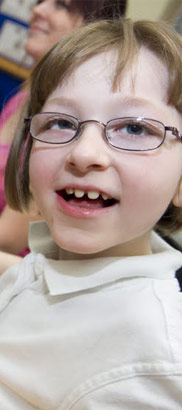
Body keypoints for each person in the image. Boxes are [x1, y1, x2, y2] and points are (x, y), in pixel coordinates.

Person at [1, 17, 182, 408]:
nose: (84, 154)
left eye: (134, 128)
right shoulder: (60, 258)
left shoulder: (150, 361)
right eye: (62, 122)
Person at [0, 0, 127, 271]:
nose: (38, 10)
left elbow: (8, 238)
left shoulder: (64, 125)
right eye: (39, 1)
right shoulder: (23, 97)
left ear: (92, 30)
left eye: (62, 5)